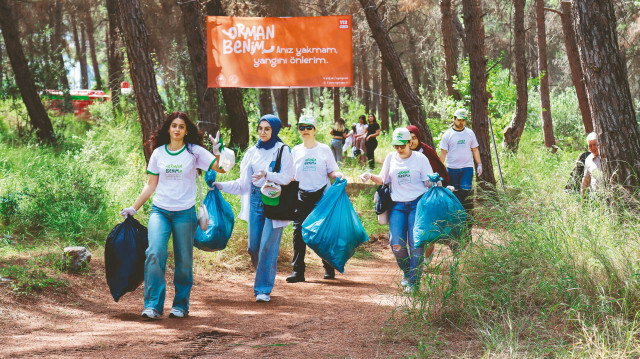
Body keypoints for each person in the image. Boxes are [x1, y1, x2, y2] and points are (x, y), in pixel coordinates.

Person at [120, 111, 224, 320]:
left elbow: (219, 168)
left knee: (184, 261)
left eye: (181, 126)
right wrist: (134, 208)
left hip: (185, 213)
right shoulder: (158, 153)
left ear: (186, 131)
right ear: (168, 128)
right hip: (160, 211)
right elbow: (151, 185)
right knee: (154, 253)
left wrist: (217, 151)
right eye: (174, 125)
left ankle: (180, 305)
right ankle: (153, 306)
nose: (177, 129)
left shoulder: (194, 152)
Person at [214, 115, 294, 303]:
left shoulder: (282, 150)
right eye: (260, 128)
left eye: (267, 129)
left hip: (275, 201)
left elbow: (288, 176)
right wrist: (221, 185)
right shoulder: (252, 152)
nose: (263, 132)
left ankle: (262, 289)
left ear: (274, 130)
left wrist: (268, 174)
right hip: (256, 200)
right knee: (253, 247)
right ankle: (264, 273)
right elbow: (243, 184)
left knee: (267, 246)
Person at [360, 128, 434, 292]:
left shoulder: (420, 159)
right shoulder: (390, 158)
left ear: (410, 143)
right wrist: (370, 176)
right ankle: (407, 272)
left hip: (417, 204)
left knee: (416, 244)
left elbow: (428, 182)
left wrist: (434, 181)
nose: (399, 149)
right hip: (397, 206)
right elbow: (383, 179)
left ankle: (414, 282)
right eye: (396, 146)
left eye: (402, 145)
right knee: (396, 244)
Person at [287, 115, 345, 283]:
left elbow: (331, 171)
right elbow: (290, 175)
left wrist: (338, 175)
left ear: (315, 129)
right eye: (301, 127)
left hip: (321, 196)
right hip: (300, 196)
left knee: (322, 233)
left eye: (308, 127)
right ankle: (297, 271)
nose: (305, 130)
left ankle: (328, 266)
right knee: (298, 232)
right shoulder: (295, 150)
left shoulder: (324, 149)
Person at [438, 109, 481, 221]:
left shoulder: (470, 133)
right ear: (454, 119)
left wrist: (479, 164)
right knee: (454, 193)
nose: (461, 122)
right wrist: (438, 168)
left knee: (465, 192)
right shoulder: (448, 135)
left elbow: (475, 150)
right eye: (459, 120)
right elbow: (443, 153)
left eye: (463, 120)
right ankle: (455, 218)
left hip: (467, 168)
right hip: (452, 169)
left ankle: (467, 218)